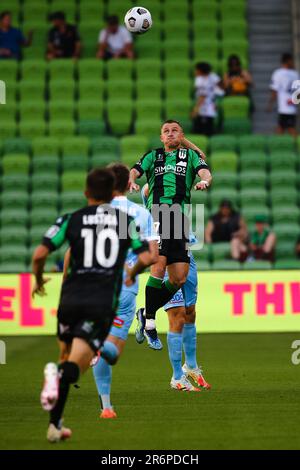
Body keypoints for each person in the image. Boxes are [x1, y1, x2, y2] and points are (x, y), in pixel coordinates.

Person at [32, 168, 154, 442]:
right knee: (103, 353)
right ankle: (93, 351)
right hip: (102, 300)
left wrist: (39, 280)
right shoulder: (123, 221)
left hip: (70, 297)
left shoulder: (71, 219)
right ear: (113, 191)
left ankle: (55, 425)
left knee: (69, 359)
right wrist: (132, 274)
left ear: (86, 192)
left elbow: (41, 254)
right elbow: (147, 256)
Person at [63, 164, 158, 419]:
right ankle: (103, 351)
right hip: (124, 288)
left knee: (98, 342)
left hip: (91, 287)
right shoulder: (140, 213)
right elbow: (152, 256)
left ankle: (106, 406)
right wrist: (133, 270)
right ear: (130, 184)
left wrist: (66, 283)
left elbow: (71, 253)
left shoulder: (91, 214)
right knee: (113, 349)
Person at [129, 120, 212, 349]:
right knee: (158, 266)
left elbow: (203, 164)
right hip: (156, 216)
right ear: (160, 137)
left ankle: (146, 312)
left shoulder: (190, 157)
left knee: (179, 278)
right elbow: (134, 171)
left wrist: (205, 180)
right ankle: (151, 323)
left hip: (179, 219)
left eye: (175, 130)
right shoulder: (152, 158)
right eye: (165, 131)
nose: (170, 134)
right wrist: (131, 180)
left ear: (182, 135)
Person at [136, 184, 211, 392]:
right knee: (177, 316)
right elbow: (144, 190)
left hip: (185, 252)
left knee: (190, 312)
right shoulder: (152, 192)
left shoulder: (181, 188)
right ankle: (177, 376)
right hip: (165, 255)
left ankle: (192, 365)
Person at [267, 53, 299, 136]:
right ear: (287, 61)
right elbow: (275, 91)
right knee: (282, 128)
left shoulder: (280, 73)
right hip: (286, 107)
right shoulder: (292, 74)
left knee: (288, 128)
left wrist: (270, 105)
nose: (293, 62)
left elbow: (298, 92)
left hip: (288, 107)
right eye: (291, 60)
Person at [191, 62, 224, 136]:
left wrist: (195, 110)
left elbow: (202, 97)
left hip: (205, 108)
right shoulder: (210, 76)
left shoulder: (202, 81)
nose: (195, 71)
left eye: (196, 70)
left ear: (201, 70)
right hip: (211, 105)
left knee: (203, 130)